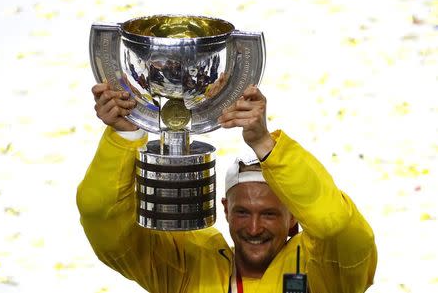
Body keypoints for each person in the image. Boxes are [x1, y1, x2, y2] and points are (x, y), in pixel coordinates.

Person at [77, 83, 377, 292]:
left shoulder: (323, 267)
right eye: (243, 212)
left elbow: (336, 225)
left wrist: (264, 143)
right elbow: (101, 215)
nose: (255, 227)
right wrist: (124, 135)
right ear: (225, 210)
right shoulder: (187, 264)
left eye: (270, 214)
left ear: (295, 217)